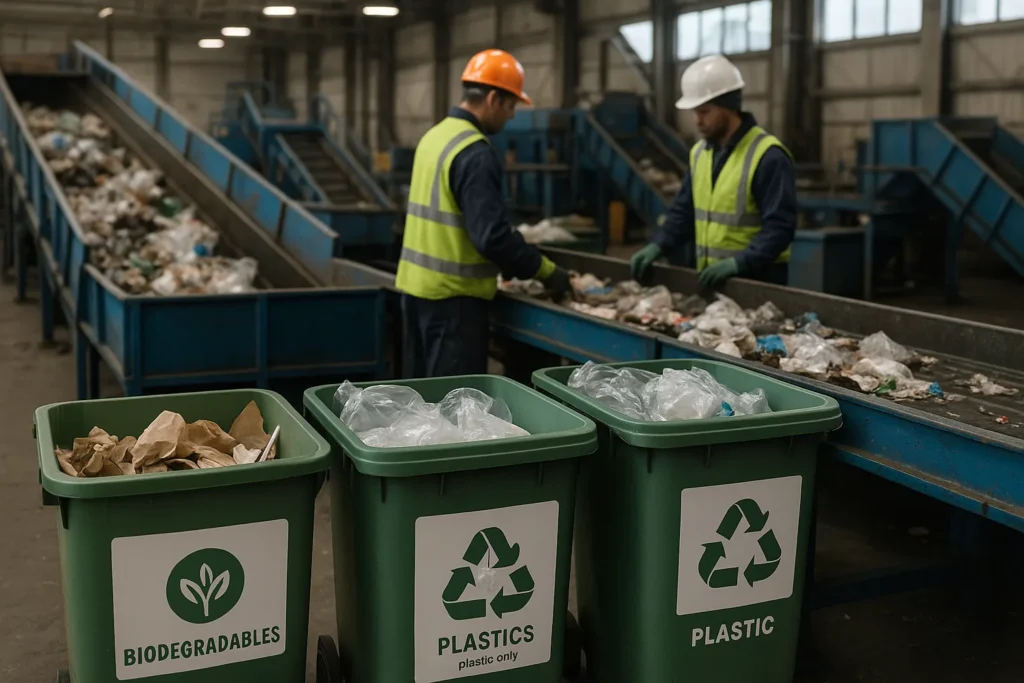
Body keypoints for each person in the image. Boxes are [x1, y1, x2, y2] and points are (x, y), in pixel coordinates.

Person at [395, 49, 572, 378]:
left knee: (421, 396)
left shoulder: (434, 136)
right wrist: (545, 270)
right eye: (511, 106)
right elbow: (491, 237)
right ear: (493, 99)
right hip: (454, 302)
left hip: (414, 292)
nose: (511, 116)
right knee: (453, 400)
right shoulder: (475, 152)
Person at [630, 54, 797, 292]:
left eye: (704, 111)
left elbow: (780, 227)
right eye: (695, 112)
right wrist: (658, 245)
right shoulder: (700, 153)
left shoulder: (768, 156)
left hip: (758, 285)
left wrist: (740, 262)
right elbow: (683, 212)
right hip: (712, 282)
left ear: (728, 107)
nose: (697, 120)